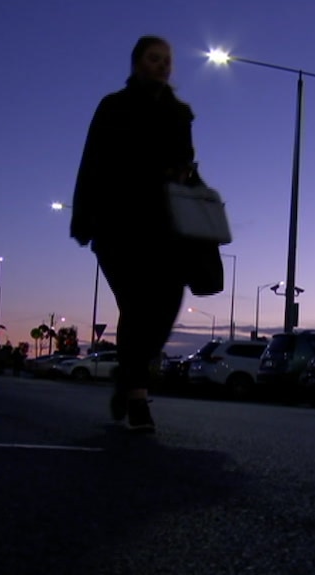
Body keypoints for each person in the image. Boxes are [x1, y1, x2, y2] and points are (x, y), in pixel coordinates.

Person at [70, 35, 199, 432]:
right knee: (136, 304)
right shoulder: (114, 107)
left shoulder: (180, 113)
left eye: (167, 60)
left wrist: (184, 177)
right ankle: (138, 397)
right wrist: (83, 219)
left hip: (165, 225)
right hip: (118, 221)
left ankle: (127, 376)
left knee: (165, 303)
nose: (162, 65)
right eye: (154, 58)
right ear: (137, 62)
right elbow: (92, 161)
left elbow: (186, 163)